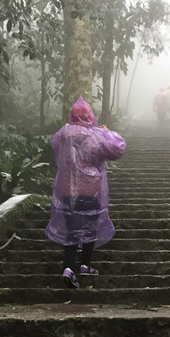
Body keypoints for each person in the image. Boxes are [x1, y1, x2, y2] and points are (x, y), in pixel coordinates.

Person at [45, 97, 126, 288]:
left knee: (71, 231)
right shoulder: (95, 135)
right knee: (90, 228)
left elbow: (54, 146)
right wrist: (107, 133)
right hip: (90, 190)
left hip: (67, 190)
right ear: (90, 116)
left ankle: (68, 268)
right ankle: (85, 265)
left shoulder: (63, 133)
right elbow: (117, 150)